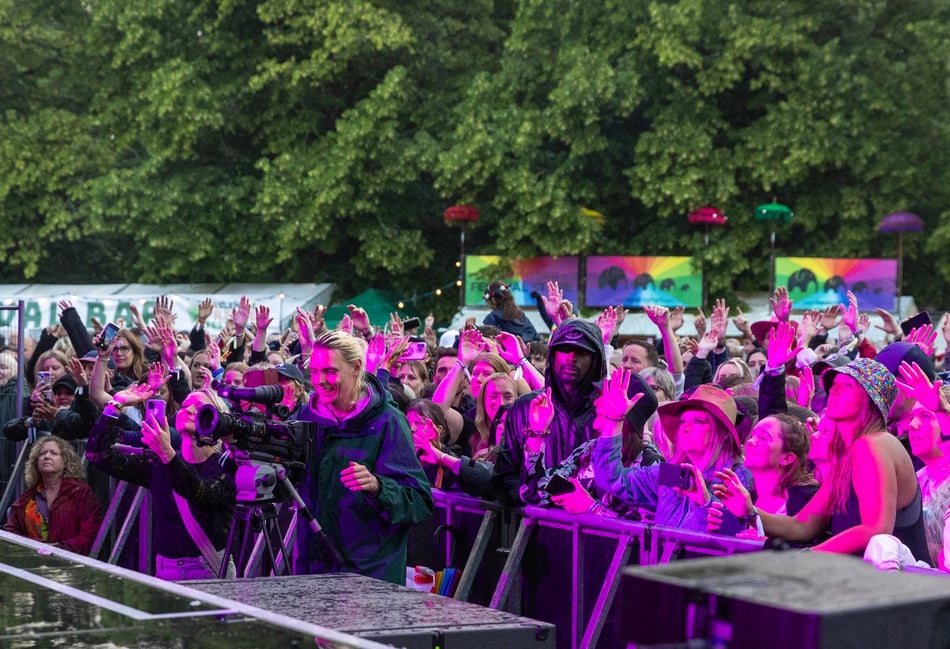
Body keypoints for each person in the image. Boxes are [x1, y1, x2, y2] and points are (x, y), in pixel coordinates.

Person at [713, 358, 930, 561]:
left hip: (899, 584)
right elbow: (802, 525)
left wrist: (803, 557)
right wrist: (750, 511)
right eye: (834, 384)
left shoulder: (873, 444)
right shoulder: (850, 455)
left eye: (847, 385)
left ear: (870, 401)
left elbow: (875, 530)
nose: (834, 389)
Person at [295, 329, 433, 584]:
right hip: (310, 570)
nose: (320, 380)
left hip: (369, 576)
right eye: (314, 371)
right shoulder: (307, 416)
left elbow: (420, 502)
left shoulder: (388, 421)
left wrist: (378, 486)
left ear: (356, 367)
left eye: (330, 371)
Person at [85, 359, 238, 580]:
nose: (189, 409)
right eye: (185, 406)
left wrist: (167, 453)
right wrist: (116, 404)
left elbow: (200, 491)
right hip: (165, 570)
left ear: (216, 420)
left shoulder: (226, 465)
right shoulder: (159, 463)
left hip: (209, 570)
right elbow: (97, 455)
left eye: (200, 407)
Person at [493, 318, 657, 505]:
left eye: (582, 352)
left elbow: (669, 506)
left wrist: (591, 509)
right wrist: (536, 437)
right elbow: (535, 490)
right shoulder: (586, 451)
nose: (571, 357)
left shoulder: (652, 462)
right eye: (564, 349)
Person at [592, 378, 753, 532]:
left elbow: (732, 538)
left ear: (724, 433)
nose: (685, 428)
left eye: (698, 421)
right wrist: (614, 421)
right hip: (662, 553)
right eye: (682, 421)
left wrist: (705, 503)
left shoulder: (736, 476)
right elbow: (612, 480)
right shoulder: (673, 470)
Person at [3, 435, 103, 555]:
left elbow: (90, 535)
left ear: (65, 461)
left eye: (54, 453)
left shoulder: (81, 493)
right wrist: (32, 550)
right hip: (33, 559)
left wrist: (57, 550)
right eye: (42, 453)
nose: (47, 456)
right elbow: (11, 532)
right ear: (36, 462)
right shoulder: (28, 497)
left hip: (69, 561)